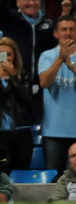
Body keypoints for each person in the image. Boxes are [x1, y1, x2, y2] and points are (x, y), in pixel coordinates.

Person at [38, 16, 76, 175]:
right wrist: (60, 59)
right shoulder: (46, 56)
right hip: (53, 130)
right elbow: (44, 82)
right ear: (56, 33)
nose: (68, 33)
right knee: (54, 177)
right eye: (64, 29)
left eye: (72, 29)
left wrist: (70, 65)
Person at [0, 37, 33, 173]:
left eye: (9, 54)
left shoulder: (23, 76)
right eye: (1, 54)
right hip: (1, 134)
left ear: (15, 57)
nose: (5, 58)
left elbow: (27, 98)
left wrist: (13, 76)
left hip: (21, 133)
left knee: (21, 173)